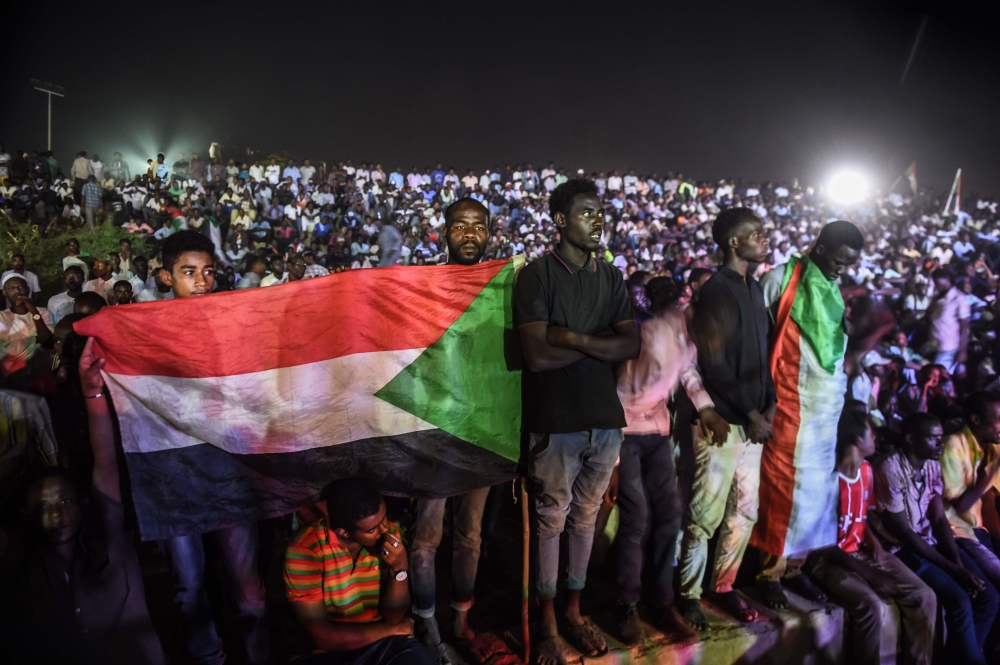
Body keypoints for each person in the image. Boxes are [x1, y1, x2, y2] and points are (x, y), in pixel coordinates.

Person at [514, 179, 639, 665]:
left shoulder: (611, 277)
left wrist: (570, 336)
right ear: (561, 221)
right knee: (551, 521)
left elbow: (630, 346)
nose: (599, 220)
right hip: (557, 419)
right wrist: (595, 343)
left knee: (584, 521)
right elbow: (537, 356)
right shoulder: (539, 275)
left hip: (604, 419)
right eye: (588, 212)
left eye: (601, 212)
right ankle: (545, 621)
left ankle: (573, 610)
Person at [0, 337, 167, 665]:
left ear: (84, 501)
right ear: (24, 514)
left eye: (64, 501)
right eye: (42, 507)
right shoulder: (23, 567)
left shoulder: (110, 538)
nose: (55, 514)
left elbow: (104, 459)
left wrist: (93, 394)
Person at [411, 199, 518, 664]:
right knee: (426, 533)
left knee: (470, 532)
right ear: (445, 232)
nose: (469, 233)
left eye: (478, 226)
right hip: (436, 429)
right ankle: (425, 616)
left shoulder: (503, 285)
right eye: (460, 225)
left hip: (483, 431)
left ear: (489, 232)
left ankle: (459, 614)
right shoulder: (424, 286)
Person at [156, 230, 269, 665]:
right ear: (167, 277)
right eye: (189, 273)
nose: (202, 282)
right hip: (173, 477)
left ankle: (258, 657)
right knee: (190, 587)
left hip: (227, 475)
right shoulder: (147, 332)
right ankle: (210, 658)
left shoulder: (230, 328)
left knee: (249, 587)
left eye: (208, 272)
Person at [752, 220, 864, 609]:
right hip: (787, 404)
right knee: (783, 493)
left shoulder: (833, 291)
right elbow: (756, 338)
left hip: (825, 412)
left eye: (847, 265)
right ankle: (768, 575)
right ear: (819, 247)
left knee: (816, 498)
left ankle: (795, 571)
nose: (840, 270)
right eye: (837, 261)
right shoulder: (780, 280)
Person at [677, 207, 774, 628]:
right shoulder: (717, 289)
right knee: (704, 515)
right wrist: (751, 411)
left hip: (752, 422)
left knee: (744, 511)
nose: (764, 238)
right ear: (734, 242)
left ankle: (724, 585)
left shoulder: (753, 288)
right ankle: (687, 594)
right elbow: (713, 364)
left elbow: (764, 355)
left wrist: (766, 405)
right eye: (756, 233)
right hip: (725, 424)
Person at [612, 275, 719, 644]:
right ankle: (626, 602)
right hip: (626, 431)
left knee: (670, 515)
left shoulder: (681, 334)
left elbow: (687, 371)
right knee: (637, 517)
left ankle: (661, 600)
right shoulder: (656, 334)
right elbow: (628, 388)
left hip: (657, 431)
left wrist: (705, 406)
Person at [804, 406, 936, 665]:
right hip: (828, 559)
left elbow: (861, 517)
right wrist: (869, 573)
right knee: (871, 607)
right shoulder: (827, 480)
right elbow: (823, 544)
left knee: (924, 596)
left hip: (860, 551)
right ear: (856, 440)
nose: (876, 437)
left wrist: (874, 544)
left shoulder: (865, 471)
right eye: (871, 433)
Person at [873, 412, 999, 665]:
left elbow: (940, 520)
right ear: (910, 438)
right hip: (902, 548)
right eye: (934, 439)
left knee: (988, 596)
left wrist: (959, 566)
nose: (940, 445)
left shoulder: (931, 465)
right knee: (960, 600)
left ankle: (961, 656)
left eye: (941, 439)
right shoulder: (890, 468)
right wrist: (954, 569)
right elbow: (903, 532)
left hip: (927, 539)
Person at [284, 477, 435, 665]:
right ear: (344, 532)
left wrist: (400, 567)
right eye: (372, 530)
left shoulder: (387, 540)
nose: (385, 530)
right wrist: (389, 630)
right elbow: (324, 638)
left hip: (380, 643)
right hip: (326, 652)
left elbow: (393, 616)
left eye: (384, 518)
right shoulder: (305, 550)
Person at [941, 391, 1000, 597]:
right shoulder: (953, 446)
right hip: (958, 532)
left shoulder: (992, 449)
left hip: (978, 530)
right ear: (976, 419)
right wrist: (992, 471)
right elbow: (961, 506)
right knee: (989, 596)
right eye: (998, 420)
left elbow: (989, 501)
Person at [0, 273, 54, 388]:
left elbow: (48, 342)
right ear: (5, 293)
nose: (17, 291)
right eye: (11, 288)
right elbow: (5, 350)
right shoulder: (1, 317)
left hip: (40, 373)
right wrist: (35, 340)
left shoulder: (43, 312)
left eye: (20, 287)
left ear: (28, 289)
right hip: (11, 376)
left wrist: (33, 310)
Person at [925, 269, 971, 374]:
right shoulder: (937, 297)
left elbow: (965, 327)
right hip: (933, 344)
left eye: (937, 281)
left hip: (948, 346)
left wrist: (963, 350)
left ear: (947, 279)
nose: (936, 284)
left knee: (937, 376)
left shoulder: (959, 298)